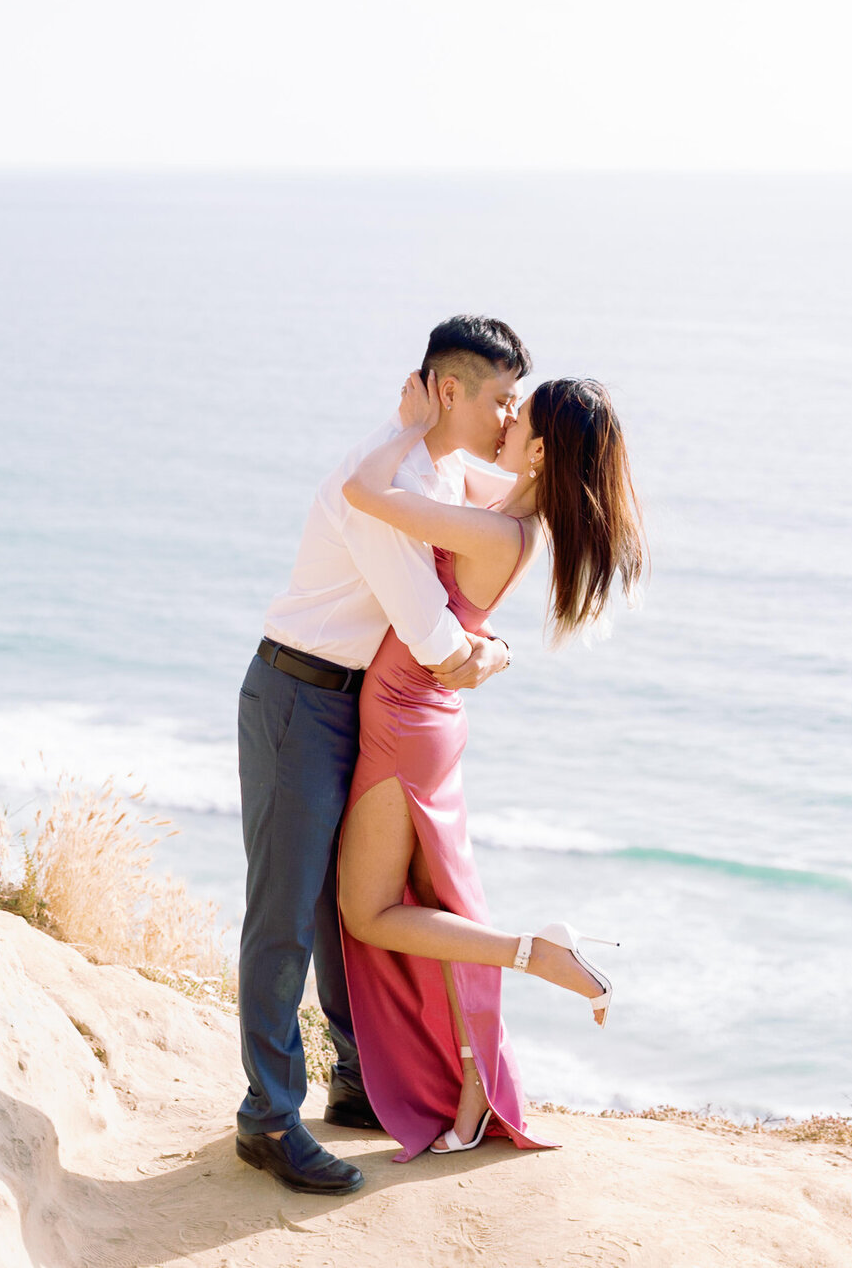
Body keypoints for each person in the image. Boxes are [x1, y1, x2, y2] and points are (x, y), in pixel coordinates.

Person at [234, 315, 531, 1196]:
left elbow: (502, 483)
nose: (509, 416)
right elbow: (434, 635)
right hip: (298, 695)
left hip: (349, 703)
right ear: (449, 391)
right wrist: (491, 653)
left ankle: (357, 1078)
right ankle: (269, 1117)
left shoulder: (434, 464)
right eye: (500, 399)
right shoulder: (394, 478)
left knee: (337, 910)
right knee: (285, 912)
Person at [337, 367, 645, 1161]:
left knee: (370, 911)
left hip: (405, 723)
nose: (502, 418)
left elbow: (367, 490)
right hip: (423, 718)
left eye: (518, 414)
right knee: (433, 901)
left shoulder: (500, 531)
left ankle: (531, 952)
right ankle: (474, 1078)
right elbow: (455, 472)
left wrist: (407, 422)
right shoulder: (506, 509)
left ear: (539, 449)